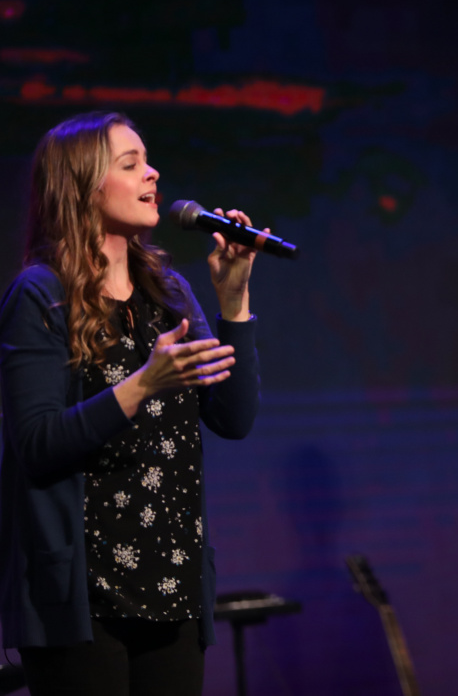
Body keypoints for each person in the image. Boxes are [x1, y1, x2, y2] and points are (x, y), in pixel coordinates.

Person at [0, 112, 264, 695]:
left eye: (147, 160)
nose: (153, 173)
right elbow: (37, 444)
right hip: (83, 595)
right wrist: (142, 384)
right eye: (130, 164)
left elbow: (233, 418)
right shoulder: (41, 294)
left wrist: (234, 300)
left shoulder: (168, 292)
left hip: (172, 583)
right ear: (82, 188)